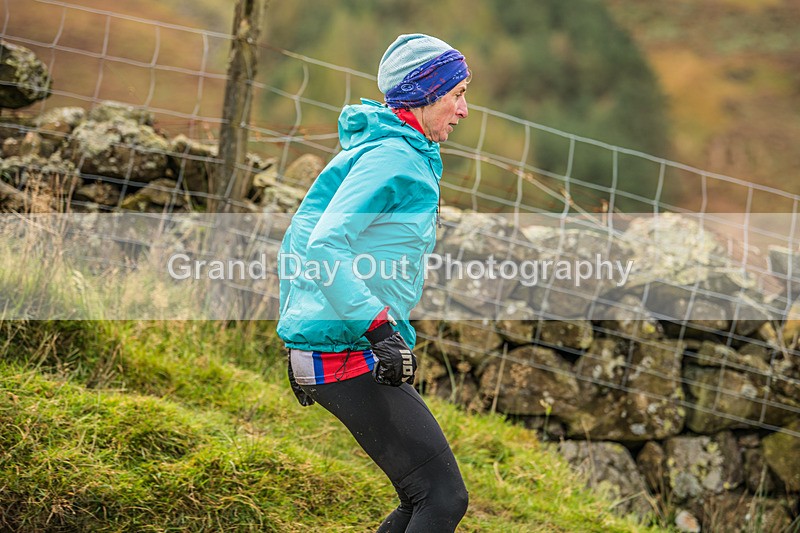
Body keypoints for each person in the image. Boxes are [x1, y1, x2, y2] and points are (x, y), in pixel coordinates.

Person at [277, 33, 471, 532]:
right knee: (441, 498)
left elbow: (302, 235)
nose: (463, 110)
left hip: (336, 342)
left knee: (421, 497)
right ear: (426, 96)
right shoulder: (392, 157)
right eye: (457, 94)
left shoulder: (396, 150)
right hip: (349, 346)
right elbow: (322, 244)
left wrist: (303, 330)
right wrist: (380, 331)